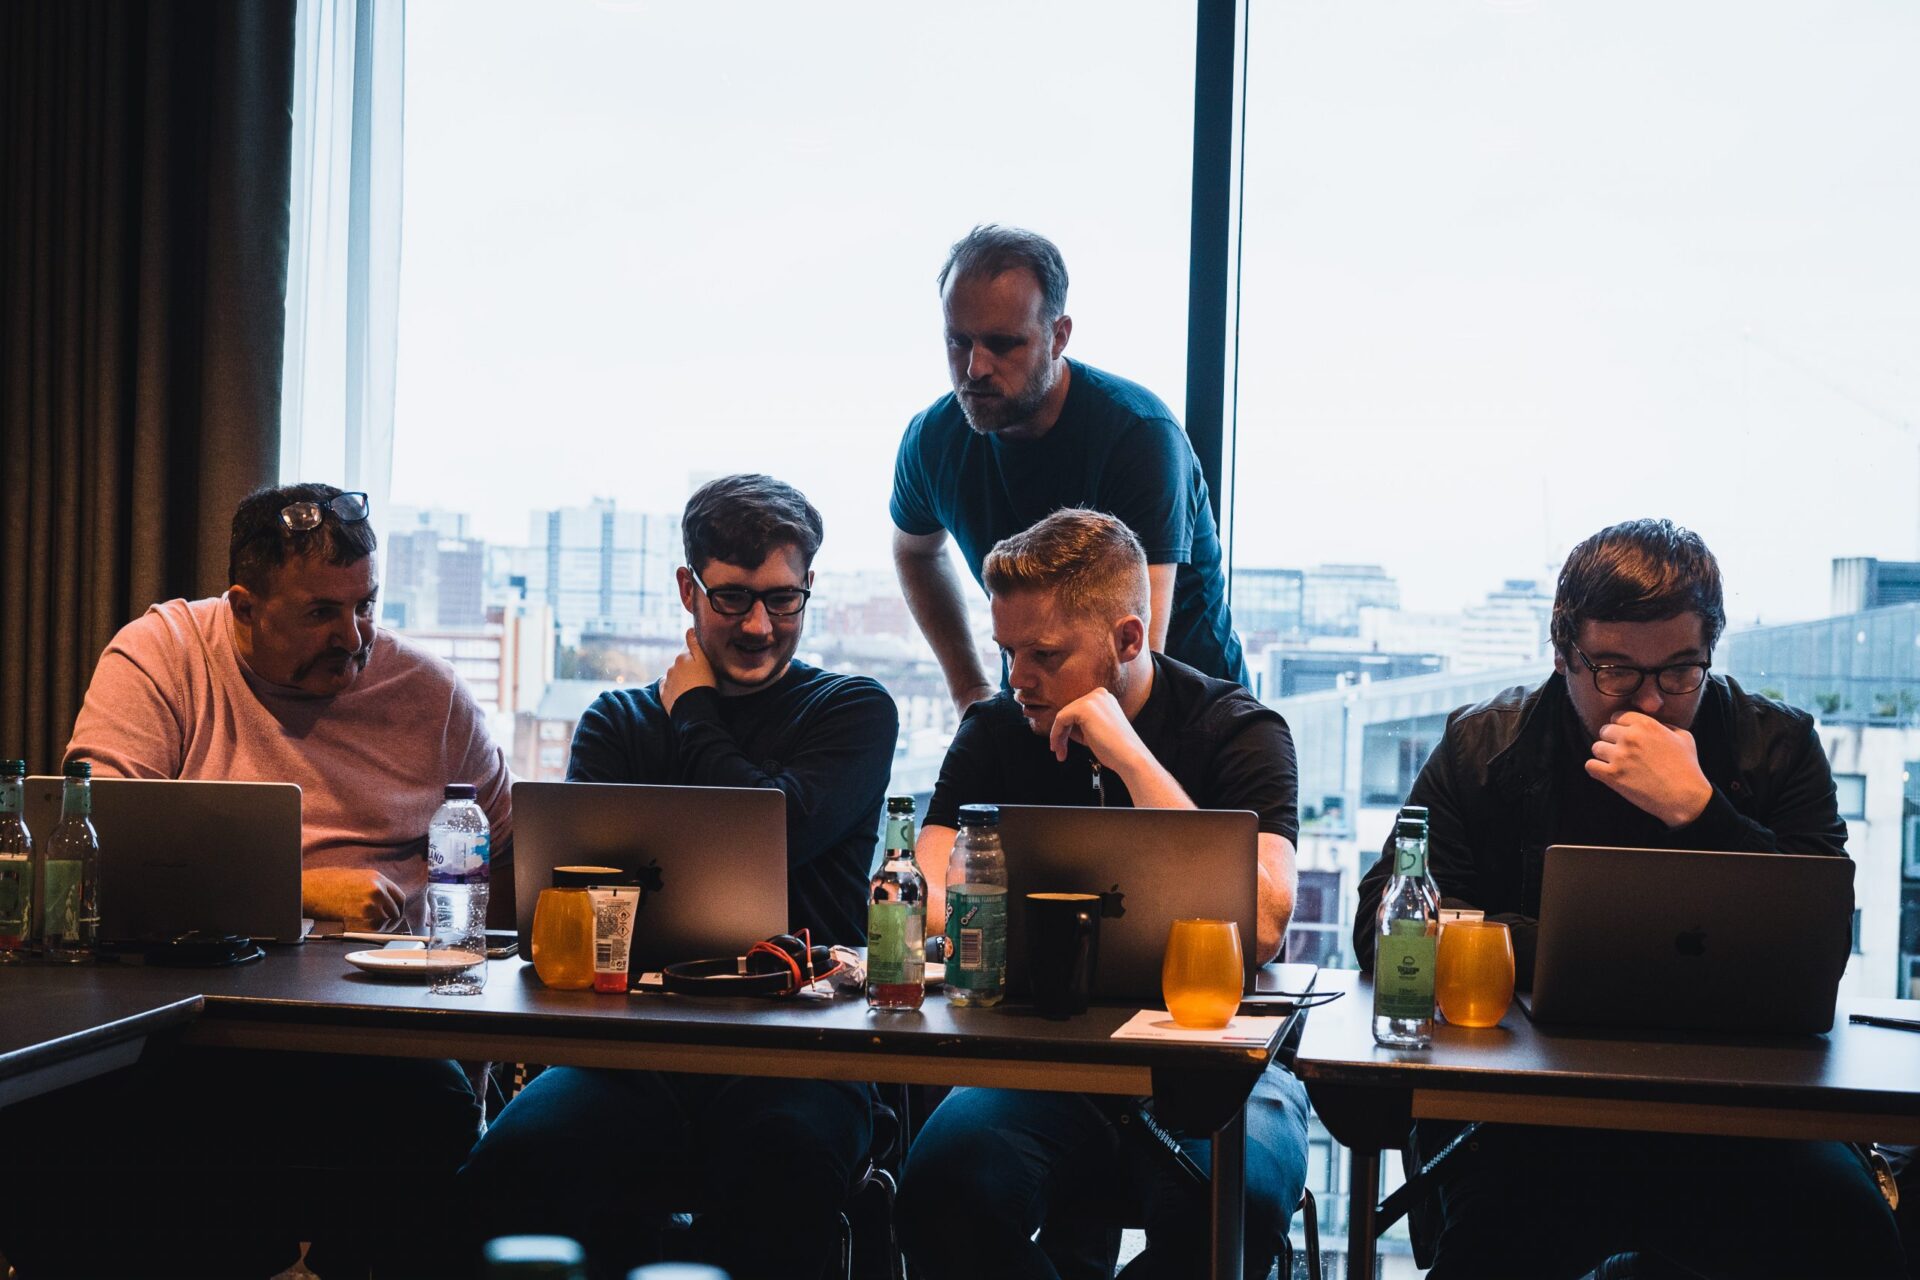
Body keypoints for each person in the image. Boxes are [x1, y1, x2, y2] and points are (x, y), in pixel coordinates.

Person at [1353, 517, 1906, 1280]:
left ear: (1710, 652)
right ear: (1562, 653)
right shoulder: (1484, 749)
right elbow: (1381, 928)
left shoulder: (1774, 746)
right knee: (1494, 1245)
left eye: (1680, 671)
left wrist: (1704, 813)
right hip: (1527, 1111)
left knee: (1856, 1235)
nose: (1648, 702)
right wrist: (1557, 940)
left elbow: (1820, 944)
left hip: (1743, 1111)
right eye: (1614, 671)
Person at [0, 482, 505, 1277]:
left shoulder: (432, 698)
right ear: (242, 605)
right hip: (191, 1019)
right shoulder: (163, 652)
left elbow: (510, 858)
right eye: (320, 615)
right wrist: (305, 888)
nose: (354, 636)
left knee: (433, 1112)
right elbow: (91, 843)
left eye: (365, 605)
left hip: (374, 1031)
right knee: (58, 1121)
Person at [457, 474, 898, 1280]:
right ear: (687, 590)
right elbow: (567, 902)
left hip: (802, 1054)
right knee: (510, 1169)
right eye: (732, 600)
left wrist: (693, 711)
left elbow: (777, 826)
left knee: (779, 1167)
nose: (761, 625)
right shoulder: (616, 722)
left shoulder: (853, 710)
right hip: (632, 1053)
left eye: (785, 599)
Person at [893, 509, 1308, 1280]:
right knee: (941, 1194)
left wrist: (1129, 757)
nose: (1018, 678)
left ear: (1126, 640)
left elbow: (1260, 925)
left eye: (1045, 654)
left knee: (1228, 1208)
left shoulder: (1239, 731)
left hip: (1218, 1061)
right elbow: (927, 900)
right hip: (1043, 1059)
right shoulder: (996, 729)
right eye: (1009, 651)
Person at [891, 224, 1250, 716]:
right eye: (959, 342)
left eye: (1003, 344)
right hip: (1036, 708)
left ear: (1058, 337)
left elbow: (1143, 652)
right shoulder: (933, 439)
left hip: (1187, 719)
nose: (975, 368)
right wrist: (970, 692)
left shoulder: (1138, 436)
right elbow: (916, 552)